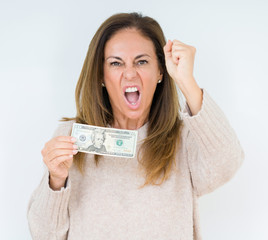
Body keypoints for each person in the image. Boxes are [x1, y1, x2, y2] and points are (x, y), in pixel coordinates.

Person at [27, 12, 244, 240]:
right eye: (116, 63)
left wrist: (186, 81)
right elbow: (44, 235)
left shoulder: (184, 139)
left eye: (142, 61)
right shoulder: (71, 139)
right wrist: (56, 180)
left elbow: (227, 162)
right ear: (101, 75)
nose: (129, 73)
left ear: (160, 71)